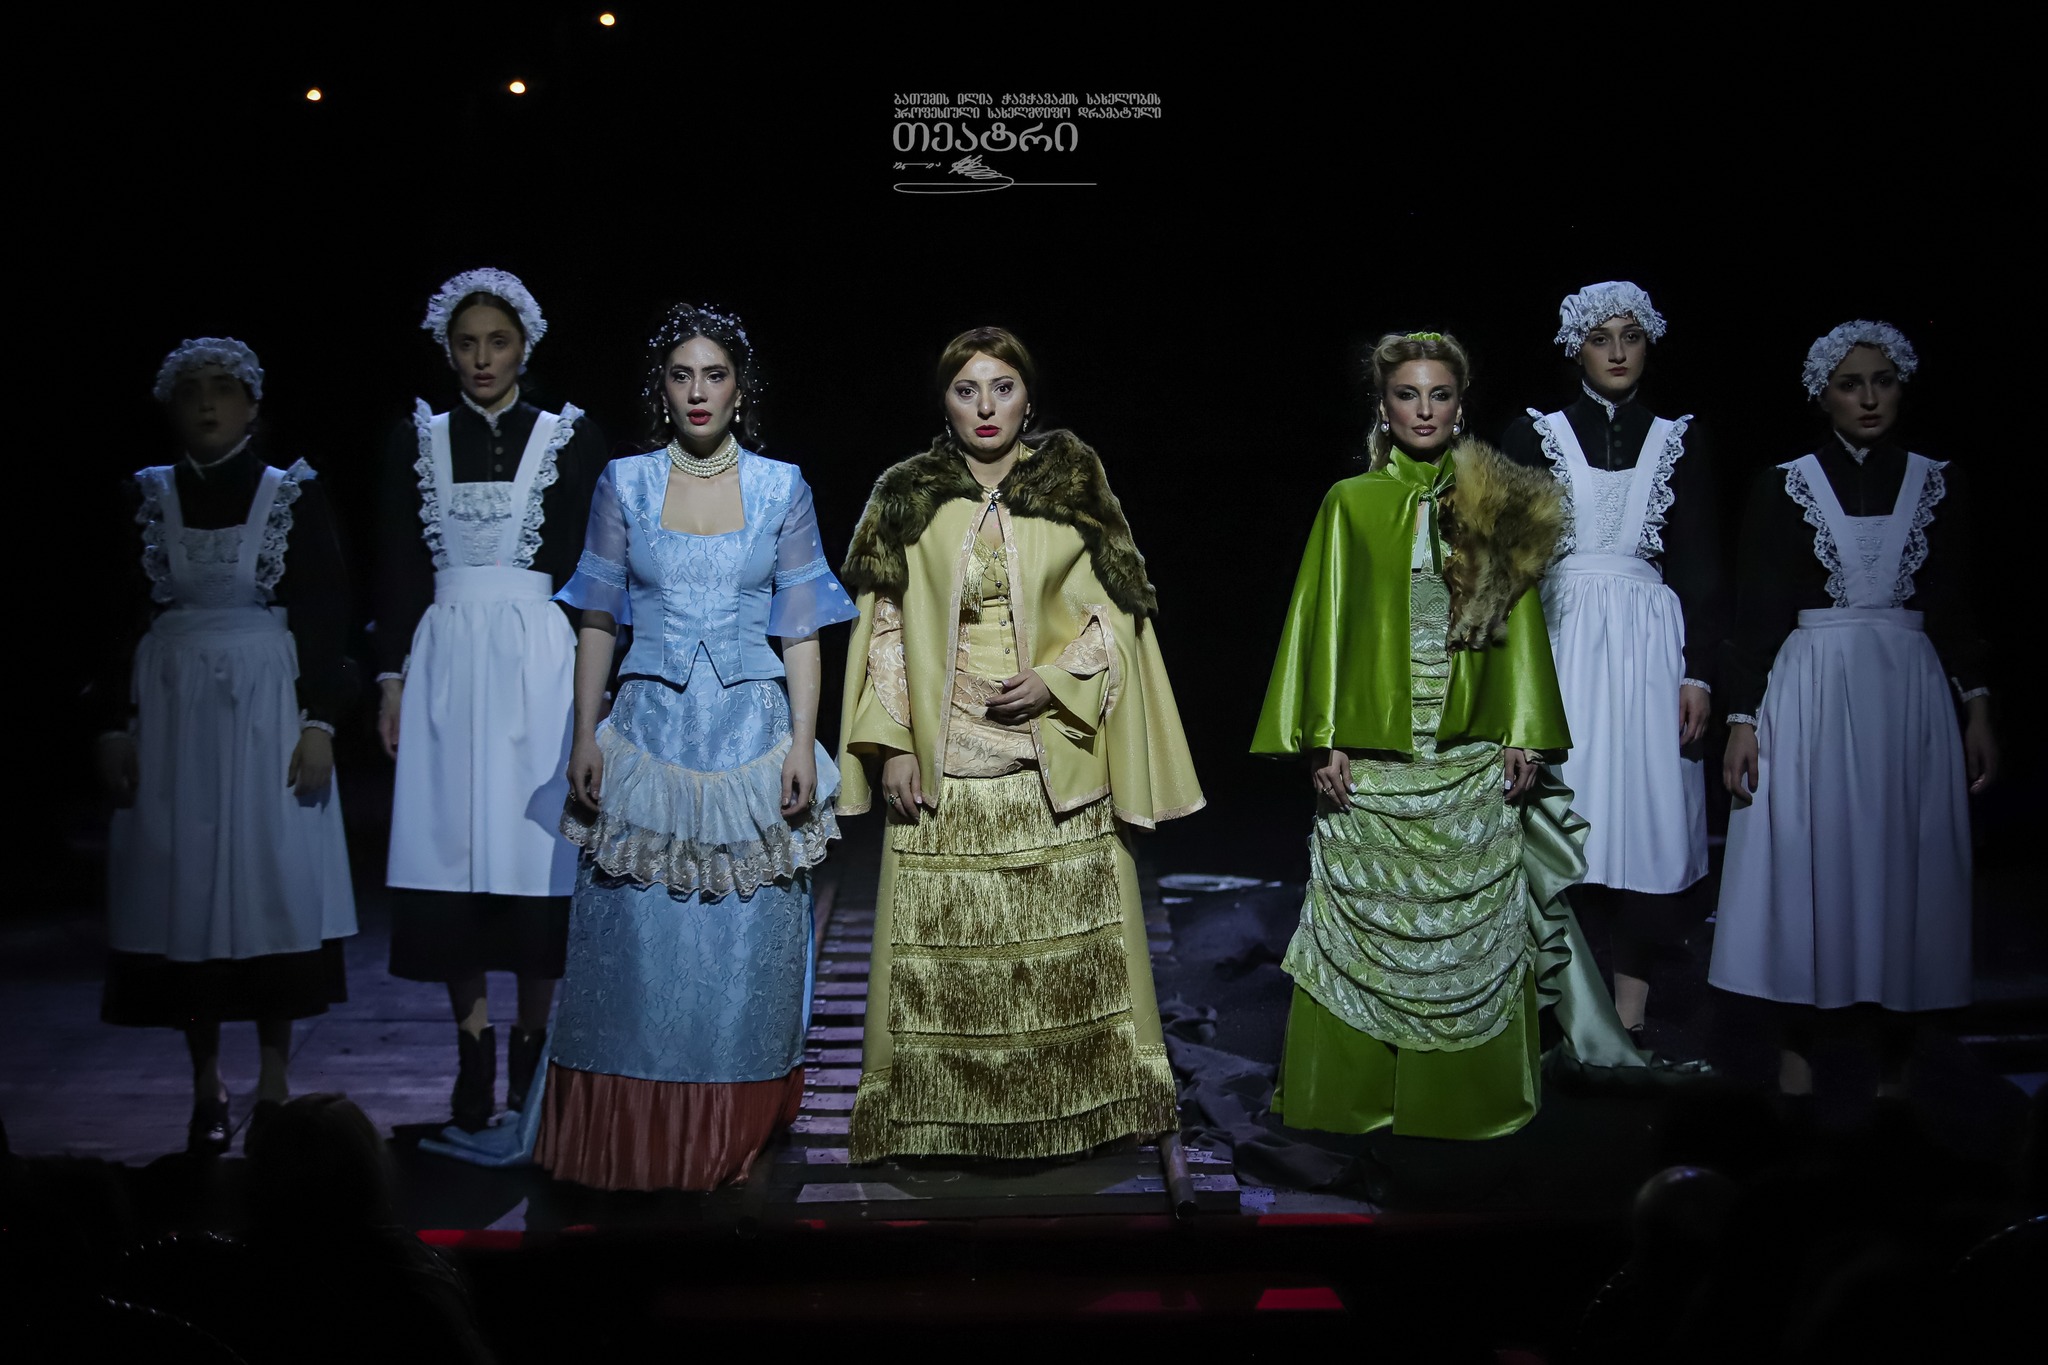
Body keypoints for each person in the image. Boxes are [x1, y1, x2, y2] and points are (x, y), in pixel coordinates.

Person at [1252, 329, 1632, 1142]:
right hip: (1375, 751)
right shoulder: (1349, 502)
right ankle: (1355, 1096)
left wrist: (1524, 730)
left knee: (1469, 928)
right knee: (1370, 918)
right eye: (1407, 395)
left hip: (1468, 747)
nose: (1423, 409)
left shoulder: (1497, 499)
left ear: (1460, 407)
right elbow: (1323, 625)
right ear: (1383, 408)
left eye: (1439, 395)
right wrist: (1323, 737)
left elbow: (1521, 629)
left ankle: (1462, 1101)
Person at [837, 326, 1203, 1163]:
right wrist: (893, 743)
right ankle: (941, 1117)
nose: (985, 406)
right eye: (966, 390)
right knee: (952, 958)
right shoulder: (908, 496)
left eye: (1002, 388)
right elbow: (885, 629)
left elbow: (1117, 614)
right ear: (944, 404)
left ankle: (1080, 1108)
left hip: (1052, 757)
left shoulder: (1073, 486)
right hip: (948, 760)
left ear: (1028, 399)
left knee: (1066, 951)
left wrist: (1059, 677)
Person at [529, 303, 857, 1190]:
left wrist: (803, 743)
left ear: (740, 389)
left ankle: (731, 1130)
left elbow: (801, 628)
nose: (698, 391)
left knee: (744, 939)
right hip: (649, 732)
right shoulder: (625, 483)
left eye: (715, 375)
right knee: (640, 936)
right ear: (662, 390)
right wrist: (584, 732)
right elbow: (598, 616)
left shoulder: (782, 485)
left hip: (750, 735)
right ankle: (627, 1137)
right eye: (682, 376)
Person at [1710, 321, 1996, 1099]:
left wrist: (1977, 705)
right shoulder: (1784, 483)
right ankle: (1796, 1063)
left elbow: (1955, 604)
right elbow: (1758, 607)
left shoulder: (1939, 480)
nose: (1868, 398)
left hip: (1907, 687)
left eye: (1883, 382)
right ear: (1823, 395)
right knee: (1811, 857)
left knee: (1902, 860)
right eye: (1850, 384)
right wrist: (1743, 718)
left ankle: (1895, 1076)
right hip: (1812, 685)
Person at [98, 338, 357, 1154]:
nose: (208, 405)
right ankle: (205, 1081)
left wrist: (319, 720)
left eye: (223, 389)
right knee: (187, 890)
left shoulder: (291, 491)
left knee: (267, 883)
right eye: (192, 392)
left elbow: (325, 609)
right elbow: (110, 613)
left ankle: (273, 1080)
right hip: (175, 711)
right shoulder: (147, 494)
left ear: (252, 405)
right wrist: (112, 723)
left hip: (265, 706)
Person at [375, 269, 605, 1132]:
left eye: (497, 342)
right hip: (445, 660)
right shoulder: (417, 438)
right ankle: (471, 1051)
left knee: (533, 855)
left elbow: (592, 568)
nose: (482, 358)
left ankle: (532, 1052)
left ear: (523, 348)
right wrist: (391, 679)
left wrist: (592, 699)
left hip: (539, 661)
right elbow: (398, 565)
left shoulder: (567, 436)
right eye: (467, 343)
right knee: (451, 853)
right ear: (447, 350)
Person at [1500, 282, 1723, 1050]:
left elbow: (1700, 560)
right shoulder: (1535, 435)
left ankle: (1629, 1017)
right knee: (1566, 821)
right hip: (1563, 641)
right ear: (1577, 349)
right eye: (1602, 338)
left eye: (1632, 336)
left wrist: (1697, 673)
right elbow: (1508, 568)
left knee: (1645, 826)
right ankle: (1557, 1012)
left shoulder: (1678, 439)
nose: (1618, 352)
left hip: (1649, 645)